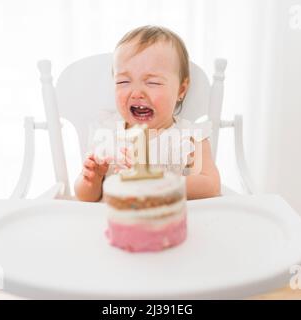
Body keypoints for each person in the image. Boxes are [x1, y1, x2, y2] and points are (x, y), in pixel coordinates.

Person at [74, 25, 221, 202]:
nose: (136, 93)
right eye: (123, 81)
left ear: (181, 90)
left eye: (152, 82)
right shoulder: (107, 133)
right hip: (116, 223)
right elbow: (85, 197)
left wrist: (158, 184)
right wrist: (92, 179)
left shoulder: (189, 137)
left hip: (168, 223)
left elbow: (211, 185)